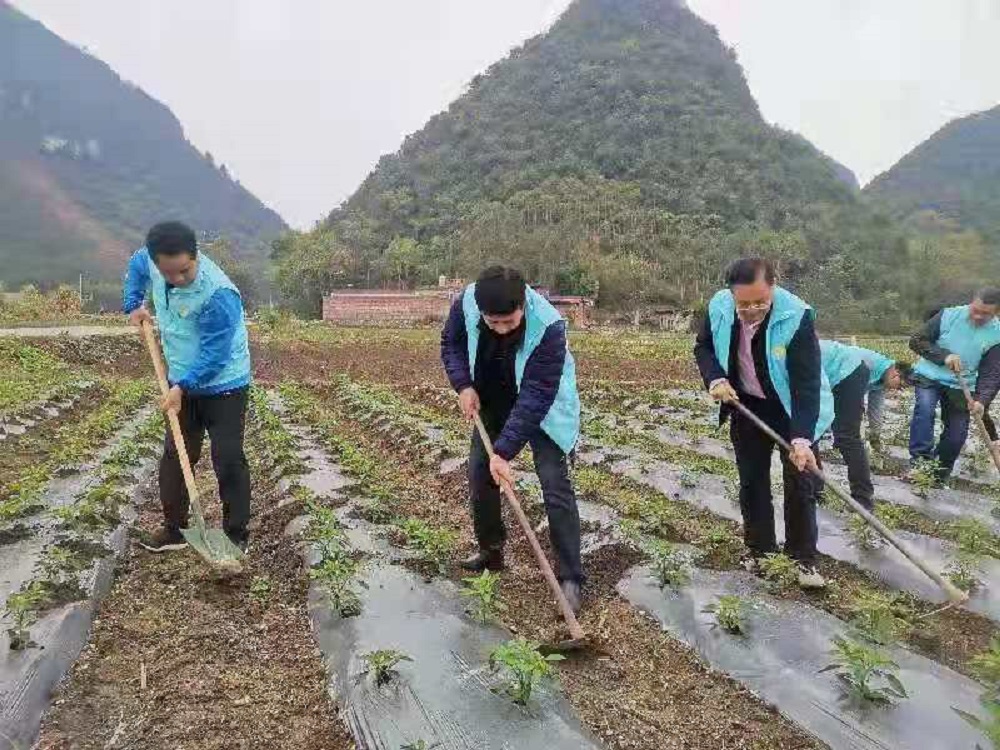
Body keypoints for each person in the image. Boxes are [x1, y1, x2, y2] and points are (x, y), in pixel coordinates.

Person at [440, 266, 585, 612]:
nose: (502, 329)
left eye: (510, 322)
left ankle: (571, 578)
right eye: (494, 324)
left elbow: (536, 395)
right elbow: (452, 343)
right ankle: (491, 553)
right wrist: (463, 385)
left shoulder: (549, 327)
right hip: (491, 396)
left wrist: (504, 452)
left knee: (555, 484)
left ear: (524, 304)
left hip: (542, 406)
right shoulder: (467, 304)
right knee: (479, 475)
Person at [694, 257, 833, 588]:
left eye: (760, 301)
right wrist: (715, 379)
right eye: (744, 303)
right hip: (747, 405)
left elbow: (806, 384)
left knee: (801, 484)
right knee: (752, 482)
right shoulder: (719, 307)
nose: (753, 309)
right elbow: (704, 347)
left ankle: (803, 560)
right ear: (731, 294)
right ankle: (760, 552)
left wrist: (801, 439)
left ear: (774, 286)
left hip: (791, 409)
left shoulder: (796, 316)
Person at [123, 221, 253, 553]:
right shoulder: (150, 262)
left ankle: (235, 535)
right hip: (180, 377)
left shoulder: (218, 293)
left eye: (184, 271)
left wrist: (182, 387)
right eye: (168, 273)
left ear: (195, 256)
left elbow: (214, 354)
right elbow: (138, 266)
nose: (177, 279)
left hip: (224, 383)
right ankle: (174, 528)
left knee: (227, 456)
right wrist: (133, 304)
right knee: (177, 453)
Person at [908, 289, 1000, 482]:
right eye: (975, 310)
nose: (977, 316)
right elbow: (917, 340)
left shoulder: (996, 334)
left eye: (985, 314)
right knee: (925, 410)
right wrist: (944, 356)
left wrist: (981, 401)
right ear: (971, 303)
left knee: (957, 434)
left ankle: (938, 474)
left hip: (962, 385)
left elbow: (991, 374)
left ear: (996, 312)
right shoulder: (948, 316)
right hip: (929, 377)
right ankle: (919, 463)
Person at [819, 340, 906, 509]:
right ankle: (815, 490)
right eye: (900, 385)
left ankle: (862, 499)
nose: (897, 389)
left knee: (847, 437)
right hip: (838, 374)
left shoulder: (879, 372)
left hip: (844, 375)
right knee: (819, 434)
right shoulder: (875, 365)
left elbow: (875, 408)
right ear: (896, 372)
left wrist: (875, 435)